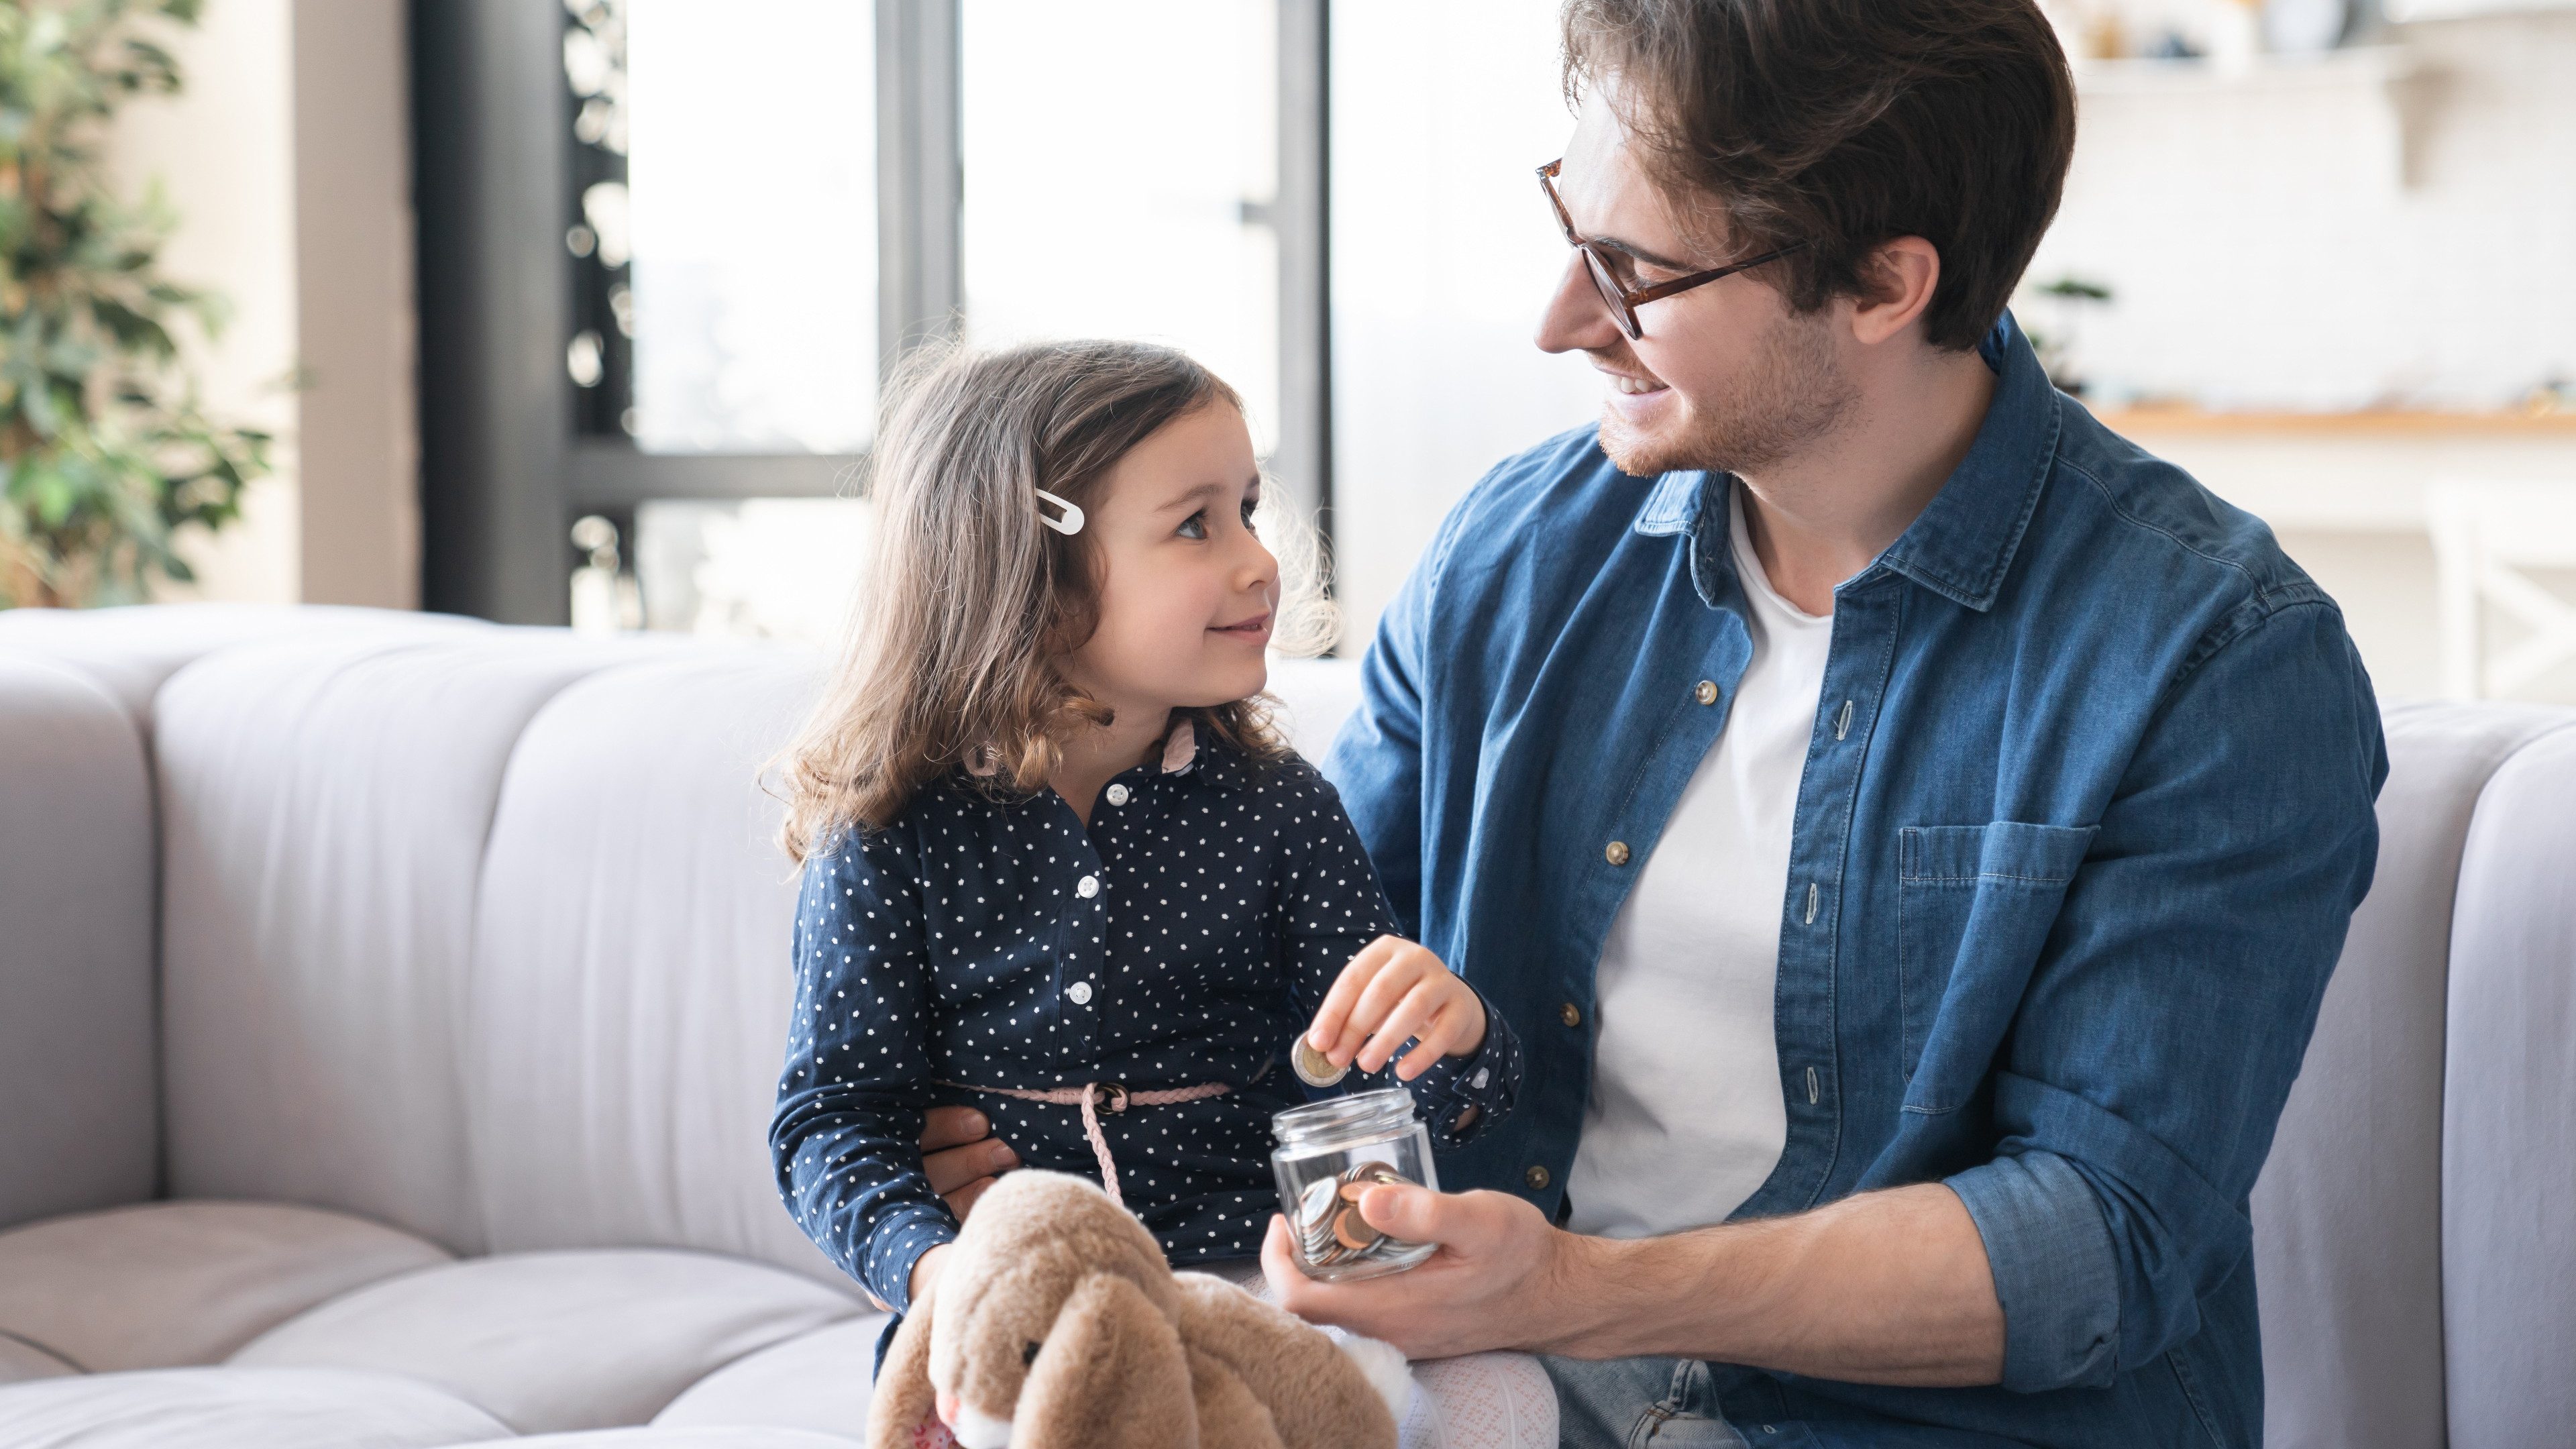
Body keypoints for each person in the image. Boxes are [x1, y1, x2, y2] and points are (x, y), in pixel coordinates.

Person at [1247, 2, 2390, 1447]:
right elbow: (1282, 962)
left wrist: (1564, 1290)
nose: (1559, 320)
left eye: (1636, 272)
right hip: (1513, 1388)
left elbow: (2094, 1243)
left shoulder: (2218, 660)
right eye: (1570, 226)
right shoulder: (1517, 555)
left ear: (1882, 284)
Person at [764, 339, 1544, 1441]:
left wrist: (1450, 1042)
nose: (1259, 561)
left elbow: (1371, 1103)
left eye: (1250, 509)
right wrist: (938, 1268)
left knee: (1504, 1397)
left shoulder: (1280, 810)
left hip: (1269, 1278)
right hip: (1031, 1302)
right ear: (1028, 574)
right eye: (1197, 524)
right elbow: (834, 1124)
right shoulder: (891, 832)